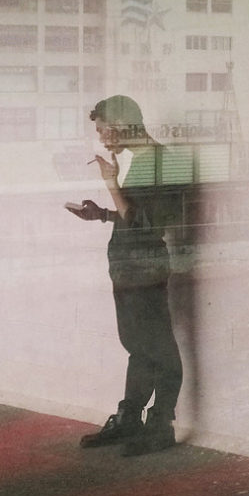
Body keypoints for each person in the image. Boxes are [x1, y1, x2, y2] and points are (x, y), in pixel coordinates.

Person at [64, 95, 184, 457]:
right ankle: (130, 419)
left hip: (144, 270)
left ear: (121, 125)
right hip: (128, 270)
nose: (101, 138)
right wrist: (102, 214)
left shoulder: (162, 162)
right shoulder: (144, 161)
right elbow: (136, 217)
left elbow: (148, 227)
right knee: (138, 347)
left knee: (159, 349)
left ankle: (160, 426)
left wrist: (111, 183)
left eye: (103, 129)